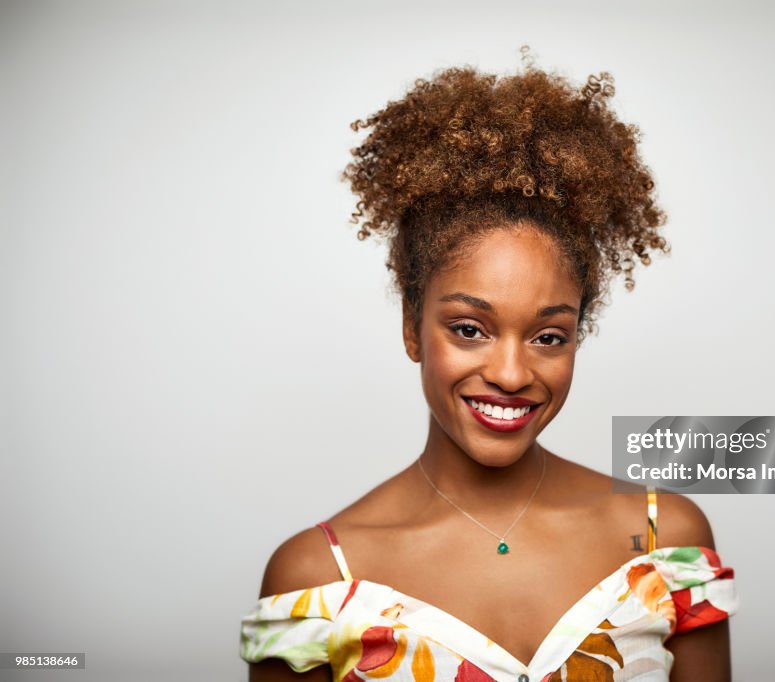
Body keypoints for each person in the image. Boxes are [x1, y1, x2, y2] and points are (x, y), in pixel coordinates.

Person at [240, 55, 737, 682]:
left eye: (548, 336)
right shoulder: (316, 580)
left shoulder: (665, 538)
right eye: (469, 329)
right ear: (410, 327)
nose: (509, 373)